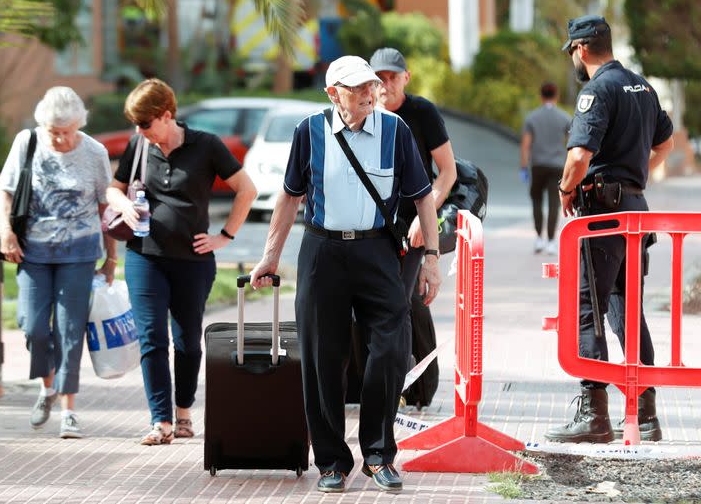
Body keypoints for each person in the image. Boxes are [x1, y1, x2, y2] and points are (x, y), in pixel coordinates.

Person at [250, 56, 442, 493]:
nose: (366, 93)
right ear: (332, 92)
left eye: (369, 86)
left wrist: (431, 257)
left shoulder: (395, 131)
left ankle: (378, 454)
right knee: (322, 359)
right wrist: (269, 257)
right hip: (322, 253)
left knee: (392, 350)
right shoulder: (309, 131)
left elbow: (424, 198)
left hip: (377, 251)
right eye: (355, 88)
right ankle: (332, 461)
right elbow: (288, 198)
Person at [544, 15, 674, 443]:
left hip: (602, 214)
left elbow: (579, 156)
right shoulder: (643, 87)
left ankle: (593, 412)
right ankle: (647, 414)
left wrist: (566, 188)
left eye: (572, 53)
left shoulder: (596, 90)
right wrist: (636, 179)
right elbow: (665, 144)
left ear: (580, 49)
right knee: (626, 313)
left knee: (588, 308)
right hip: (635, 212)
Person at [106, 78, 256, 446]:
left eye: (145, 123)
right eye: (136, 124)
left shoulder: (206, 146)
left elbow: (246, 190)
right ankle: (161, 421)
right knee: (151, 339)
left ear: (166, 115)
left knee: (187, 341)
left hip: (193, 261)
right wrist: (123, 203)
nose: (140, 131)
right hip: (145, 257)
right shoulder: (139, 145)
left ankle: (184, 411)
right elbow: (114, 187)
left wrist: (225, 236)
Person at [0, 86, 116, 439]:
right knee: (33, 326)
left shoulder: (94, 152)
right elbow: (4, 189)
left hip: (79, 254)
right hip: (32, 251)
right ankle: (47, 388)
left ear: (80, 125)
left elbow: (104, 208)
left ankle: (68, 411)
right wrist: (6, 232)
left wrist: (111, 257)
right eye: (55, 132)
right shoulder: (26, 143)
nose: (62, 139)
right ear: (42, 126)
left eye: (69, 132)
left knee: (69, 329)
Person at [370, 47, 456, 407]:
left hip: (412, 225)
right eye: (380, 78)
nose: (386, 84)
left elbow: (447, 172)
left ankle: (407, 389)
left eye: (393, 77)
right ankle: (378, 383)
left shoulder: (422, 113)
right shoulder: (362, 115)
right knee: (378, 305)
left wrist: (427, 217)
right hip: (371, 227)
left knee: (401, 303)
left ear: (406, 78)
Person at [519, 82, 572, 255]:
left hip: (538, 165)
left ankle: (539, 239)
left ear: (541, 96)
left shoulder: (532, 118)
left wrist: (524, 167)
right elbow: (573, 143)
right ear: (556, 96)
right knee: (554, 203)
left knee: (536, 201)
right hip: (557, 166)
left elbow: (526, 145)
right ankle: (550, 241)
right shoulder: (564, 118)